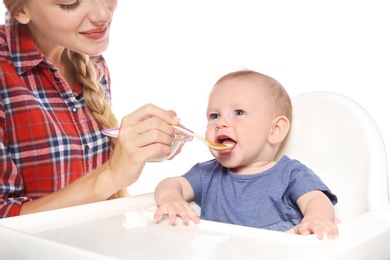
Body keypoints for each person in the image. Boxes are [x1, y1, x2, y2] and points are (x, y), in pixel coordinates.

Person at [0, 0, 183, 218]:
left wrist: (137, 147)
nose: (102, 15)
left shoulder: (92, 60)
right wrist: (112, 174)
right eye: (70, 3)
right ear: (21, 10)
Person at [154, 70, 339, 240]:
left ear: (275, 130)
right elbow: (171, 184)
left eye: (238, 112)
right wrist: (171, 199)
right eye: (214, 116)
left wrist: (315, 219)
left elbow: (316, 199)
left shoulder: (290, 174)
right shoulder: (207, 175)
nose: (220, 123)